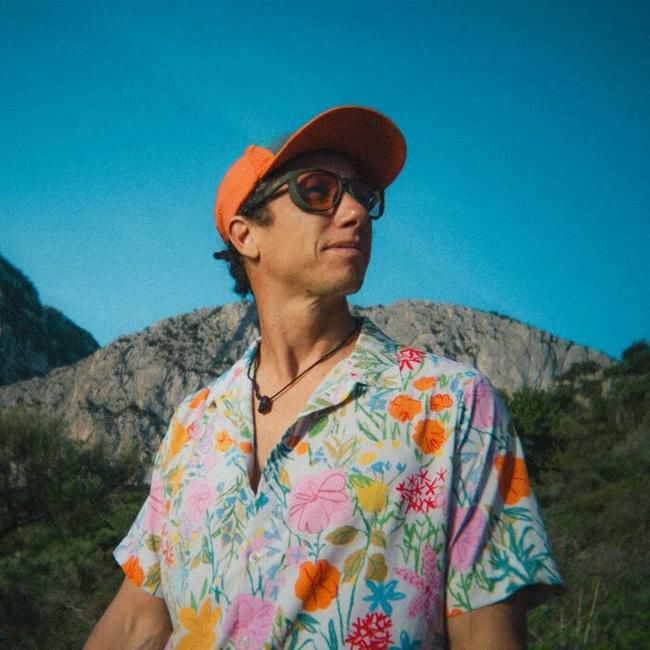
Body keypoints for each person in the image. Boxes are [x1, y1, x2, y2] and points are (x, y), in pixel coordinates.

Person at [85, 106, 562, 649]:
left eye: (363, 195)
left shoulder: (452, 404)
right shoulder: (192, 424)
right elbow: (137, 624)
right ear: (246, 234)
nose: (356, 211)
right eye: (318, 191)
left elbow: (486, 634)